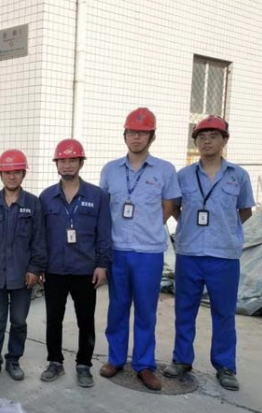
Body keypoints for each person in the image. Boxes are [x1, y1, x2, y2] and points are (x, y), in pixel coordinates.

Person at [165, 116, 254, 391]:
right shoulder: (184, 175)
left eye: (213, 136)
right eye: (201, 137)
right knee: (184, 310)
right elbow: (175, 208)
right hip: (189, 253)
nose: (207, 141)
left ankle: (225, 366)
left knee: (224, 313)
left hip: (224, 256)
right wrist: (190, 228)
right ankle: (182, 359)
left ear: (224, 140)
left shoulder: (238, 176)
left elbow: (245, 211)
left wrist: (224, 230)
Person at [99, 108, 181, 391]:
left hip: (149, 252)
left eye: (142, 133)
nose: (136, 137)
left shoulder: (165, 170)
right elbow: (104, 207)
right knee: (117, 308)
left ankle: (144, 364)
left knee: (146, 310)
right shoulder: (111, 170)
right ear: (124, 135)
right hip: (118, 249)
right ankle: (115, 358)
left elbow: (169, 205)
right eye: (132, 132)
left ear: (152, 137)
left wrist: (151, 226)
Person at [39, 139, 111, 388]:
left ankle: (84, 365)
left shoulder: (97, 196)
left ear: (81, 163)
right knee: (53, 319)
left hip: (85, 270)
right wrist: (40, 265)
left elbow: (104, 233)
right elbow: (40, 236)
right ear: (56, 164)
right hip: (54, 269)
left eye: (72, 160)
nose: (67, 165)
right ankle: (54, 362)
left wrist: (102, 265)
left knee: (85, 320)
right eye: (62, 160)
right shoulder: (46, 197)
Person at [0, 149, 46, 380]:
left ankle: (13, 360)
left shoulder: (33, 204)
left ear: (24, 174)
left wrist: (34, 269)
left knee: (18, 321)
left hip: (22, 277)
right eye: (7, 172)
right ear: (1, 174)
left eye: (17, 172)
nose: (12, 176)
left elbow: (39, 240)